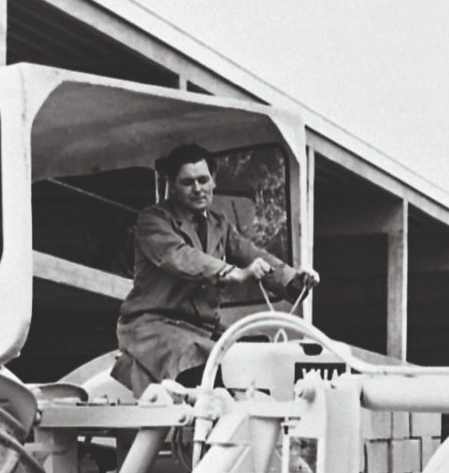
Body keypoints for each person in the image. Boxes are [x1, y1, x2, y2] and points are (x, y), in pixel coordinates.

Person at [112, 143, 320, 395]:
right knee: (201, 363)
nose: (197, 189)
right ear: (173, 185)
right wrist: (233, 273)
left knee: (258, 352)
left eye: (203, 180)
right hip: (154, 327)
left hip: (202, 330)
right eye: (188, 182)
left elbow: (251, 253)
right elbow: (180, 257)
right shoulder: (153, 220)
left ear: (214, 181)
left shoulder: (219, 224)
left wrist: (295, 280)